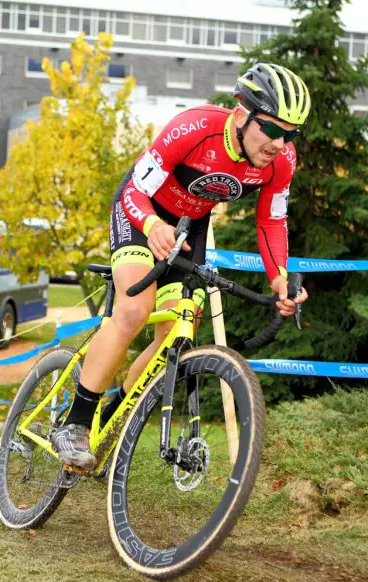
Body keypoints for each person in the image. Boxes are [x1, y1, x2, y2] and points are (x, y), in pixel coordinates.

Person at [52, 63, 311, 470]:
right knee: (134, 310)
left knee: (174, 334)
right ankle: (76, 422)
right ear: (242, 116)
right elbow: (136, 188)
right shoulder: (195, 128)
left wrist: (278, 277)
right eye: (273, 130)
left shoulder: (281, 161)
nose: (280, 143)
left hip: (190, 228)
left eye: (290, 134)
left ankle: (113, 410)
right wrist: (152, 224)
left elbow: (271, 221)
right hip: (142, 211)